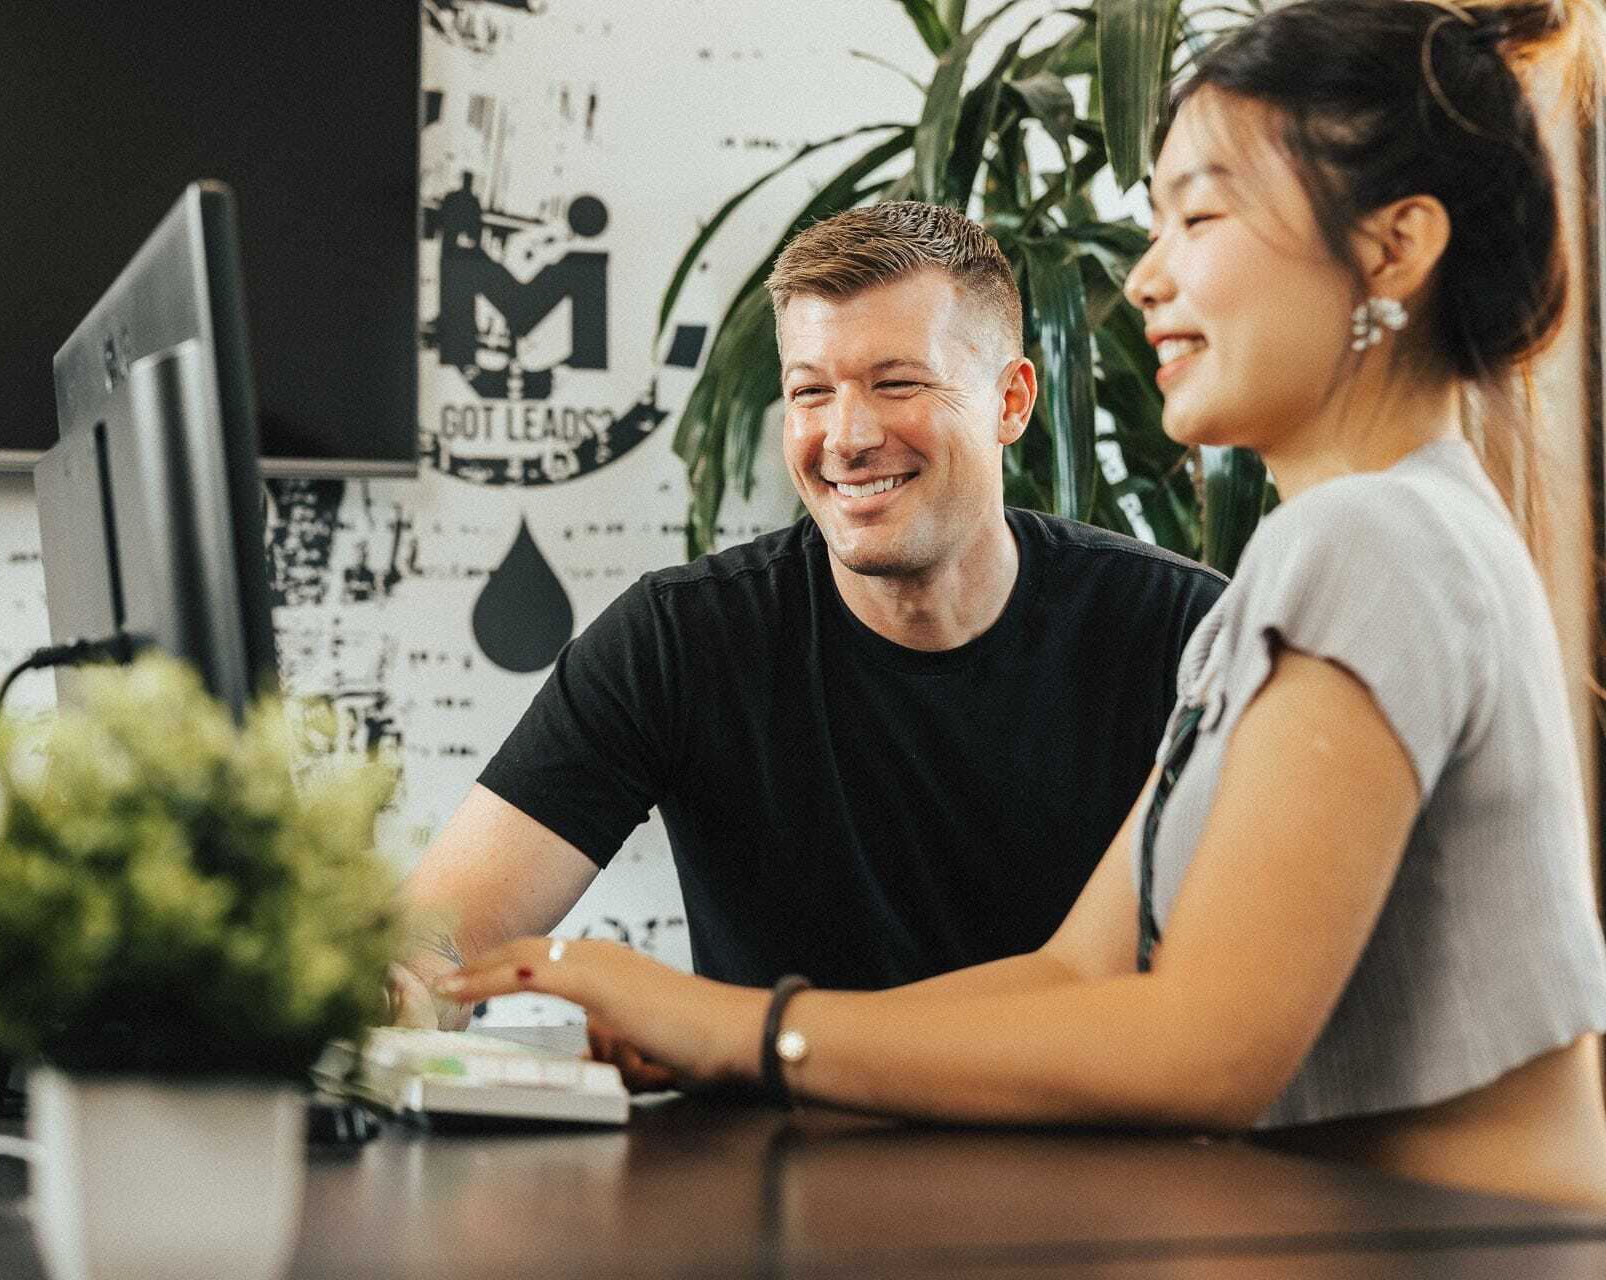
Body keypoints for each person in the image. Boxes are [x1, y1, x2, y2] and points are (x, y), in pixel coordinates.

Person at [437, 0, 1606, 1209]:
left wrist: (741, 1029)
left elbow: (1202, 1048)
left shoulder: (1368, 536)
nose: (1147, 277)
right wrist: (718, 1035)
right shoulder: (1326, 556)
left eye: (1200, 215)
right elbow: (1069, 973)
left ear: (1392, 248)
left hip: (1461, 1245)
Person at [393, 203, 1226, 1055]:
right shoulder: (679, 640)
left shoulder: (1180, 634)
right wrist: (392, 991)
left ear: (1010, 401)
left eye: (897, 383)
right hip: (769, 1171)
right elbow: (442, 939)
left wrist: (723, 1034)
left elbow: (1201, 1006)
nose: (848, 436)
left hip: (1095, 1165)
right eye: (810, 391)